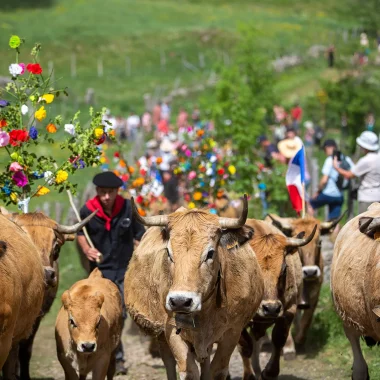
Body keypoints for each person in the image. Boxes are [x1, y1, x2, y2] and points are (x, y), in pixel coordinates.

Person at [77, 172, 145, 375]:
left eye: (111, 193)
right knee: (101, 314)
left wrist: (140, 253)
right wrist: (87, 248)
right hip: (99, 272)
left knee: (121, 314)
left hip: (125, 270)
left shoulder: (127, 208)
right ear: (97, 191)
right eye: (103, 193)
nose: (107, 197)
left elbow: (140, 234)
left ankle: (114, 353)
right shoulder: (87, 210)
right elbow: (80, 233)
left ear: (117, 191)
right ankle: (112, 356)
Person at [333, 131, 380, 214]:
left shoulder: (366, 160)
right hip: (377, 196)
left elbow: (349, 174)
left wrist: (336, 167)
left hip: (367, 198)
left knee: (365, 225)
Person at [308, 139, 354, 220]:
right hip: (339, 195)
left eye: (324, 149)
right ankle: (335, 232)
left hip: (327, 194)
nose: (324, 152)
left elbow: (324, 180)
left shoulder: (330, 160)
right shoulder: (347, 159)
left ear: (329, 148)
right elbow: (354, 172)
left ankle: (311, 227)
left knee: (310, 204)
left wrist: (318, 191)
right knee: (334, 220)